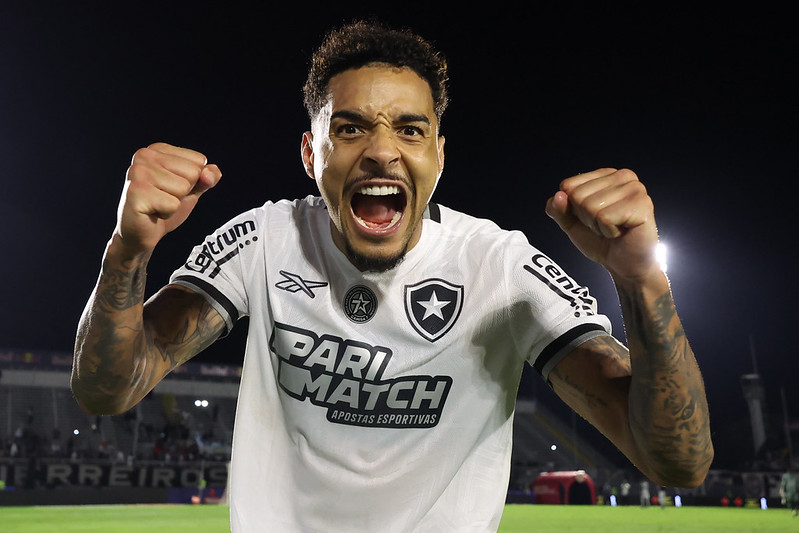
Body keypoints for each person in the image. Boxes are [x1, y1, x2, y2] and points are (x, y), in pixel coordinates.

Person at [71, 20, 713, 532]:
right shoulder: (265, 241)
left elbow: (679, 463)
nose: (382, 150)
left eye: (411, 128)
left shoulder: (501, 267)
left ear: (438, 153)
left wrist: (643, 284)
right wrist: (127, 251)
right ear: (309, 153)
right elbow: (108, 389)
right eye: (349, 129)